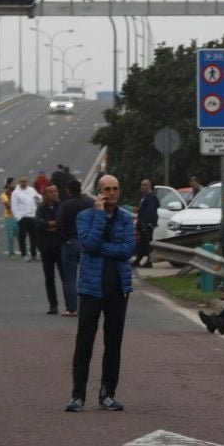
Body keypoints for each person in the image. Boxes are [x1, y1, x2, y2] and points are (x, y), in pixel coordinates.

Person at [67, 174, 135, 412]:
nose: (112, 193)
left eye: (115, 188)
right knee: (84, 343)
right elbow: (89, 245)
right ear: (99, 192)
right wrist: (98, 215)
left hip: (118, 288)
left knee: (113, 343)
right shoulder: (85, 216)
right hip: (91, 288)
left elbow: (127, 250)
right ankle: (78, 396)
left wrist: (104, 250)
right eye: (107, 189)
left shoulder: (126, 218)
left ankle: (108, 393)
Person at [57, 178, 92, 317]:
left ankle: (72, 308)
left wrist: (64, 239)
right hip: (88, 242)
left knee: (70, 277)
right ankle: (89, 306)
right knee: (89, 275)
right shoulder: (89, 203)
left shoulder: (65, 206)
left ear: (69, 190)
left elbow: (60, 225)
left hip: (71, 242)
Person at [36, 183, 65, 315]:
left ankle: (70, 302)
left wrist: (50, 225)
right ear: (46, 195)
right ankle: (53, 305)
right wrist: (51, 224)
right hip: (46, 247)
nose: (55, 194)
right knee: (49, 277)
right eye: (51, 192)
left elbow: (62, 223)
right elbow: (39, 225)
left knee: (65, 276)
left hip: (60, 246)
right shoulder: (41, 208)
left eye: (56, 191)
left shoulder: (62, 207)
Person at [11, 175, 41, 261]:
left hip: (32, 216)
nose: (23, 183)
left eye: (25, 181)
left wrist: (38, 198)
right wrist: (18, 217)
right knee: (22, 237)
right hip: (23, 217)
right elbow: (14, 206)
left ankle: (33, 254)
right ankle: (24, 254)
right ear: (19, 182)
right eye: (22, 182)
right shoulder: (16, 193)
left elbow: (39, 198)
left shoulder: (31, 190)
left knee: (34, 237)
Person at [132, 178, 159, 269]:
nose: (142, 187)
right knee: (141, 243)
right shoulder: (145, 197)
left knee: (148, 243)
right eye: (141, 185)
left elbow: (151, 212)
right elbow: (144, 209)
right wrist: (138, 210)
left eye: (144, 185)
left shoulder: (152, 197)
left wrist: (146, 223)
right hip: (142, 224)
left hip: (147, 225)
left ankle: (149, 261)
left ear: (148, 186)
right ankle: (138, 260)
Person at [0, 177, 19, 259]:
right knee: (10, 236)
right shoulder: (4, 195)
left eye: (15, 183)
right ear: (8, 185)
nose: (14, 185)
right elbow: (8, 205)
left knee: (20, 236)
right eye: (12, 183)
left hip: (18, 216)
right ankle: (11, 253)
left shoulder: (18, 193)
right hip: (9, 217)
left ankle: (24, 252)